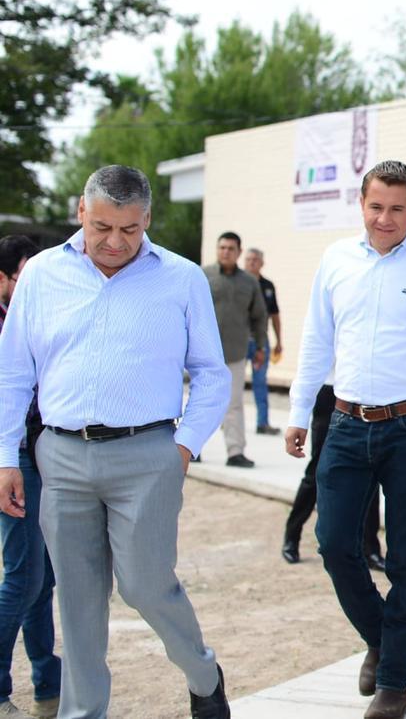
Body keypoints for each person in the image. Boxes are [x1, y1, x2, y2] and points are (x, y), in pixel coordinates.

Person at [0, 165, 232, 719]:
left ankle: (203, 674)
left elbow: (212, 373)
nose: (114, 241)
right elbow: (13, 373)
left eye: (129, 229)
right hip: (60, 455)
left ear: (146, 218)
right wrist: (6, 456)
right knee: (78, 602)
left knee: (146, 586)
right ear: (81, 211)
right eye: (102, 227)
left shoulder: (181, 278)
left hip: (149, 456)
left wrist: (183, 447)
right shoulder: (42, 275)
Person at [286, 160, 406, 719]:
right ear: (361, 205)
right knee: (333, 543)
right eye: (375, 206)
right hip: (345, 423)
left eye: (396, 208)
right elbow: (316, 339)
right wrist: (298, 412)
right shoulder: (335, 260)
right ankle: (382, 638)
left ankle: (394, 680)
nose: (384, 218)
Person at [0, 235, 59, 719]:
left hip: (42, 453)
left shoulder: (32, 315)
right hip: (13, 458)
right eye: (22, 276)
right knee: (24, 577)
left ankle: (49, 688)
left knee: (44, 579)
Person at [280, 381, 385, 571]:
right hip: (330, 392)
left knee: (371, 472)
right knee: (317, 470)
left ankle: (370, 548)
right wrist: (298, 416)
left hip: (364, 394)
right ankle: (292, 535)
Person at [204, 231, 268, 468]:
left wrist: (260, 346)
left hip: (235, 354)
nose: (226, 252)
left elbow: (259, 317)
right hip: (204, 354)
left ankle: (235, 452)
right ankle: (193, 448)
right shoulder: (203, 276)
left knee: (234, 404)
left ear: (239, 252)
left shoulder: (249, 282)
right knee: (202, 403)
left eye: (231, 248)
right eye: (222, 248)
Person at [243, 247, 283, 435]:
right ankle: (228, 421)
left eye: (255, 259)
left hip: (260, 341)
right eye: (248, 259)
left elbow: (275, 315)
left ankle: (263, 423)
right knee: (233, 383)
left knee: (260, 382)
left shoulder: (267, 286)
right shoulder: (238, 282)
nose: (251, 262)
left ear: (262, 263)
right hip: (239, 341)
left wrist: (279, 341)